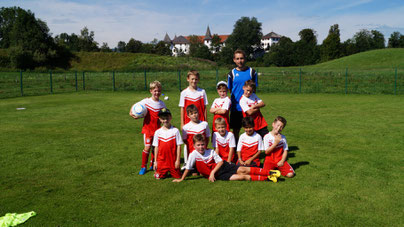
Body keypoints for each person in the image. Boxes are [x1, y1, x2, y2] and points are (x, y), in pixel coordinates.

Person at [172, 134, 280, 183]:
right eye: (198, 145)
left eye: (202, 144)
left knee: (243, 169)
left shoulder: (211, 151)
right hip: (219, 175)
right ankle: (268, 178)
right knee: (241, 177)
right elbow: (188, 168)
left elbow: (219, 162)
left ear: (205, 144)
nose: (201, 147)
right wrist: (182, 179)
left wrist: (212, 172)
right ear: (194, 146)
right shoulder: (193, 154)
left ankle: (270, 172)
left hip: (223, 167)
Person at [130, 80, 166, 175]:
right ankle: (143, 167)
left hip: (158, 130)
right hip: (148, 130)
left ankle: (152, 164)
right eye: (155, 91)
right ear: (151, 91)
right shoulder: (146, 101)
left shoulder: (162, 104)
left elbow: (164, 116)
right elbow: (135, 106)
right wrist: (131, 112)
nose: (157, 93)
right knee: (147, 147)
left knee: (155, 148)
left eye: (158, 91)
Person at [227, 49, 258, 140]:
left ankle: (250, 149)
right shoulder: (231, 73)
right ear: (234, 60)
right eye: (237, 59)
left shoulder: (252, 72)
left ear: (245, 59)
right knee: (236, 130)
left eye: (241, 58)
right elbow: (230, 89)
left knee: (250, 129)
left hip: (249, 107)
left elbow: (254, 88)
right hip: (236, 107)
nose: (239, 61)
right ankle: (236, 150)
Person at [152, 108, 183, 179]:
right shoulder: (158, 132)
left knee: (178, 177)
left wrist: (178, 160)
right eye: (163, 118)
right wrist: (155, 162)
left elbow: (178, 146)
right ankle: (161, 170)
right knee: (158, 177)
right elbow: (156, 147)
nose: (165, 120)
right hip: (161, 160)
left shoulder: (175, 131)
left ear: (171, 117)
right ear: (160, 119)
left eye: (167, 118)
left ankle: (178, 170)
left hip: (172, 160)